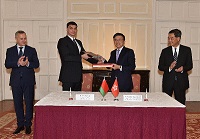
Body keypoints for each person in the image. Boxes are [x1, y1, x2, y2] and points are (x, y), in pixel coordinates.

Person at [5, 30, 39, 134]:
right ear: (16, 39)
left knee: (29, 103)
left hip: (28, 81)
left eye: (25, 38)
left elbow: (36, 64)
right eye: (21, 38)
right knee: (17, 103)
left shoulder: (31, 50)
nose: (24, 40)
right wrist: (18, 63)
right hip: (15, 81)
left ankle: (28, 124)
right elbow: (7, 64)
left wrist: (28, 63)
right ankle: (20, 124)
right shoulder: (10, 50)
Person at [57, 21, 99, 91]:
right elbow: (66, 57)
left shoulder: (78, 42)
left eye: (75, 28)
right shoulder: (62, 41)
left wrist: (97, 61)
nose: (73, 30)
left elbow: (85, 55)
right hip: (68, 75)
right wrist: (81, 57)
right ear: (67, 29)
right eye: (71, 28)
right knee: (67, 98)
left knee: (77, 98)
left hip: (78, 75)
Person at [158, 29, 193, 105]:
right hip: (168, 82)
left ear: (178, 38)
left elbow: (190, 65)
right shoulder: (165, 51)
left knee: (180, 104)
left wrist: (183, 68)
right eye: (168, 38)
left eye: (172, 38)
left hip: (181, 82)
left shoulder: (186, 50)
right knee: (166, 104)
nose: (169, 40)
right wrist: (169, 68)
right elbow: (160, 67)